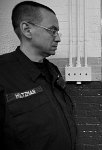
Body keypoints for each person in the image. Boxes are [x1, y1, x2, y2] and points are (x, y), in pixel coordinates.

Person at [0, 1, 76, 150]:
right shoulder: (3, 73)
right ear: (27, 30)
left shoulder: (52, 70)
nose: (58, 38)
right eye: (52, 30)